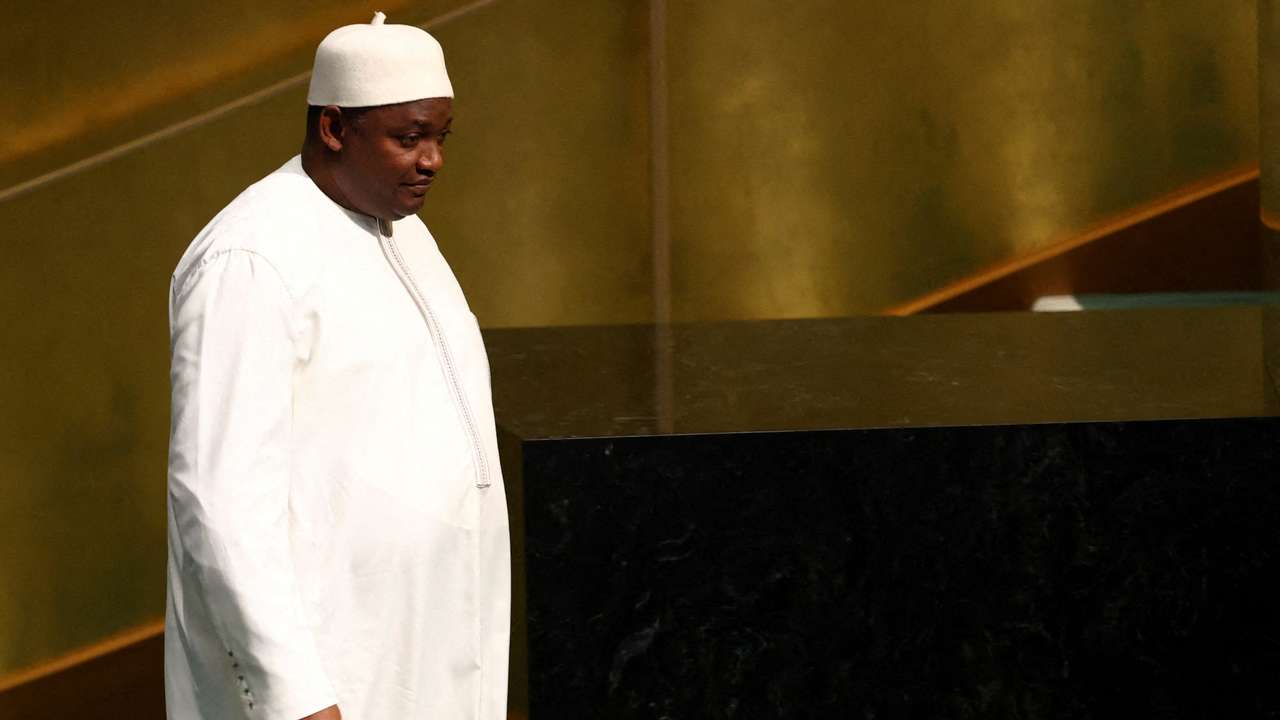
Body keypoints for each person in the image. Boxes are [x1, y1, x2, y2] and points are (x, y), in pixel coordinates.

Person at [164, 12, 510, 720]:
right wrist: (296, 695)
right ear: (333, 127)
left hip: (421, 644)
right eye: (408, 138)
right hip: (331, 666)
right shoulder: (251, 258)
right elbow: (221, 502)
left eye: (441, 138)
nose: (432, 160)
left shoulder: (406, 235)